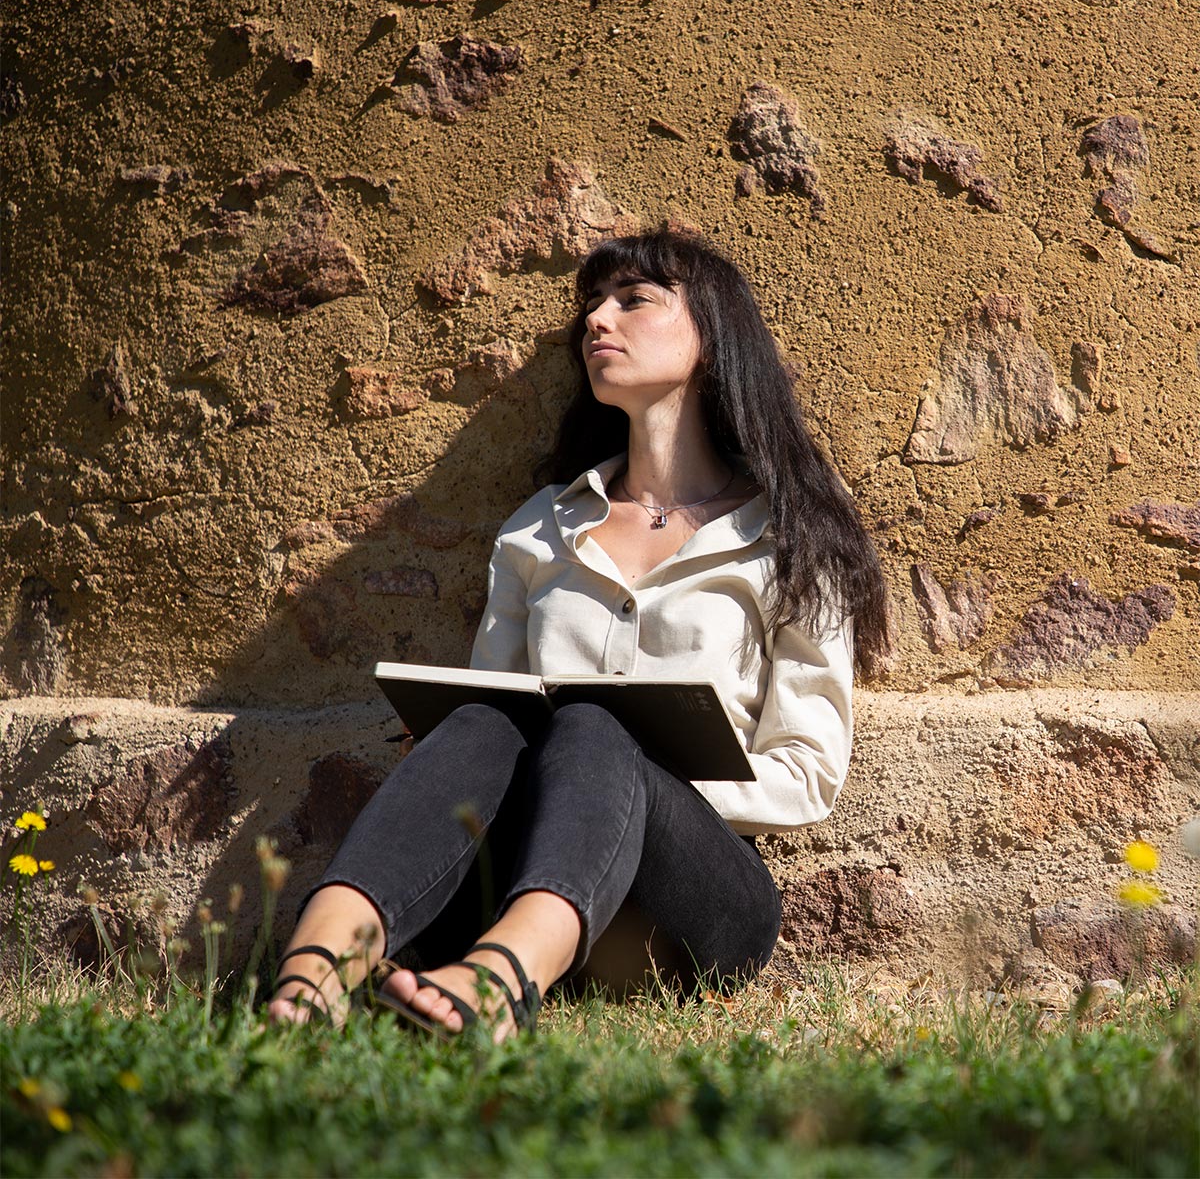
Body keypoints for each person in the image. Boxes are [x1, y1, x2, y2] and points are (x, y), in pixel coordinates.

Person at [268, 228, 889, 1040]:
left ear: (713, 339)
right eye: (591, 305)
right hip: (519, 871)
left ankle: (497, 986)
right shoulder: (540, 530)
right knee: (486, 720)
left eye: (633, 301)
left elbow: (807, 773)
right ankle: (310, 975)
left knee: (596, 727)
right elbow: (493, 708)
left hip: (695, 905)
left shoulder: (791, 537)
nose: (598, 320)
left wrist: (620, 779)